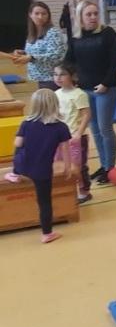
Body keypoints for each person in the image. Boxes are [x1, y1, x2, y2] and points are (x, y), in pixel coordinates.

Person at [64, 1, 116, 184]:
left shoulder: (108, 34)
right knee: (95, 129)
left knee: (105, 128)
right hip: (85, 90)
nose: (93, 17)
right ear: (81, 17)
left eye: (95, 13)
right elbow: (69, 61)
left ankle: (110, 168)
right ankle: (104, 165)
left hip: (106, 89)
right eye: (88, 14)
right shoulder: (76, 37)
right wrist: (71, 80)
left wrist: (106, 83)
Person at [4, 89, 72, 244]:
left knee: (19, 150)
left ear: (34, 105)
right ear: (55, 105)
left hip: (23, 165)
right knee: (44, 202)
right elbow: (65, 151)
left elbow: (18, 144)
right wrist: (67, 168)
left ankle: (15, 173)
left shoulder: (26, 123)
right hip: (42, 171)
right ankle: (47, 234)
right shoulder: (61, 127)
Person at [53, 63, 92, 204]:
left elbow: (86, 115)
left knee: (78, 166)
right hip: (60, 137)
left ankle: (84, 191)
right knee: (60, 164)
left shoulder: (79, 94)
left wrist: (78, 133)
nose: (58, 78)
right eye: (55, 74)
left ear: (73, 76)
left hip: (75, 137)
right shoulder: (56, 94)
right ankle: (66, 191)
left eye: (62, 74)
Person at [12, 2, 66, 89]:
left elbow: (57, 56)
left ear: (48, 16)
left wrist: (31, 58)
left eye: (44, 14)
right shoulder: (32, 33)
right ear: (30, 15)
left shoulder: (53, 33)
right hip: (34, 79)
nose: (40, 17)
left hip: (50, 80)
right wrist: (23, 53)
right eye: (37, 13)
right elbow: (36, 51)